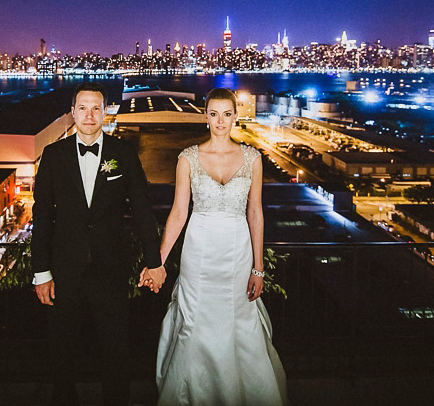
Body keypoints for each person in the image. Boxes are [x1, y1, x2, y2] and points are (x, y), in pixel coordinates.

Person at [146, 87, 288, 406]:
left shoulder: (253, 158)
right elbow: (179, 213)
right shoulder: (188, 158)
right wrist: (159, 262)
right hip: (199, 250)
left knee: (240, 318)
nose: (220, 121)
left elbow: (255, 212)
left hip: (238, 251)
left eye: (227, 114)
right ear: (205, 116)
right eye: (214, 114)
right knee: (195, 318)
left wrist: (258, 268)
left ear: (235, 117)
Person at [32, 82, 167, 406]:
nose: (89, 115)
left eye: (96, 108)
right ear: (72, 112)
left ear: (105, 112)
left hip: (111, 269)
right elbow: (42, 218)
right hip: (65, 271)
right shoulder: (53, 155)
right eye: (82, 108)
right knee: (62, 351)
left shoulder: (123, 154)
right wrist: (42, 272)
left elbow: (142, 211)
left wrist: (155, 260)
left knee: (116, 351)